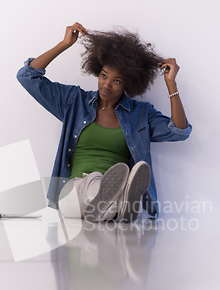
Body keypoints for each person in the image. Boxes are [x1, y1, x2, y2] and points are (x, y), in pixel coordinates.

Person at [17, 22, 192, 223]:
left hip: (100, 197)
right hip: (74, 190)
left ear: (129, 83)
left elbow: (179, 131)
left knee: (101, 188)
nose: (106, 85)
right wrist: (64, 44)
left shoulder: (140, 114)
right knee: (90, 188)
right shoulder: (75, 102)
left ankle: (113, 202)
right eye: (103, 76)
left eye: (117, 80)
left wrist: (171, 84)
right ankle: (120, 202)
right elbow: (27, 77)